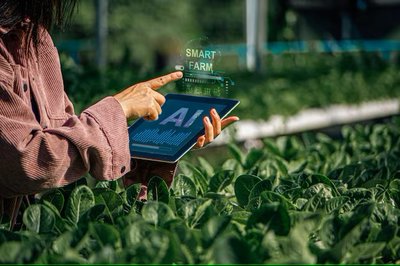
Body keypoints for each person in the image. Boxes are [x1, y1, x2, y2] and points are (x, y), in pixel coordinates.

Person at [0, 0, 239, 226]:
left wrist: (156, 149)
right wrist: (118, 109)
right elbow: (29, 162)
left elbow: (63, 147)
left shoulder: (35, 37)